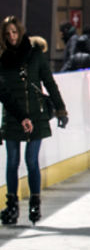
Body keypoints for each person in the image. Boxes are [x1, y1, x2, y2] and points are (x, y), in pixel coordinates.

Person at [0, 17, 64, 227]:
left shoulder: (34, 55)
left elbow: (49, 82)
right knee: (11, 162)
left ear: (20, 32)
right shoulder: (2, 57)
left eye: (14, 32)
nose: (11, 37)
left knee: (31, 160)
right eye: (7, 34)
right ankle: (12, 205)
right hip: (12, 116)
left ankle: (35, 202)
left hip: (36, 114)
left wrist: (60, 108)